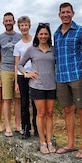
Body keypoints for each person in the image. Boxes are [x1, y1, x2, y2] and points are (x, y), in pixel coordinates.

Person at [53, 2, 82, 159]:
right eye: (62, 12)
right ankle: (71, 143)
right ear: (59, 15)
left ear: (73, 13)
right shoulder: (56, 33)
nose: (65, 15)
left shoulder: (81, 31)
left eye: (68, 12)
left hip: (77, 75)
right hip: (61, 77)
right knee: (67, 110)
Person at [18, 23, 56, 154]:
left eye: (46, 34)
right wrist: (26, 74)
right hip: (37, 85)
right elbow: (20, 65)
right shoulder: (32, 50)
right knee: (40, 113)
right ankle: (42, 142)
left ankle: (50, 141)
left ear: (49, 35)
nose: (43, 36)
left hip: (51, 85)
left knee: (50, 114)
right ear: (37, 35)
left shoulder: (53, 49)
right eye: (41, 34)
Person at [0, 12, 22, 137]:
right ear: (3, 23)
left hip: (19, 71)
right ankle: (8, 126)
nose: (8, 23)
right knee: (6, 100)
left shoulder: (20, 37)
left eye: (10, 20)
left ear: (14, 22)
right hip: (5, 71)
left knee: (18, 100)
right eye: (6, 21)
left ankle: (18, 125)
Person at [14, 16, 38, 139]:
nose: (24, 27)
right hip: (22, 76)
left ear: (29, 26)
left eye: (26, 25)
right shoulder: (17, 45)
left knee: (36, 104)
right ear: (19, 27)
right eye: (21, 25)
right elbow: (17, 64)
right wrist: (16, 83)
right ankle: (26, 129)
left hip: (34, 75)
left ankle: (37, 129)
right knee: (24, 104)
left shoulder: (35, 41)